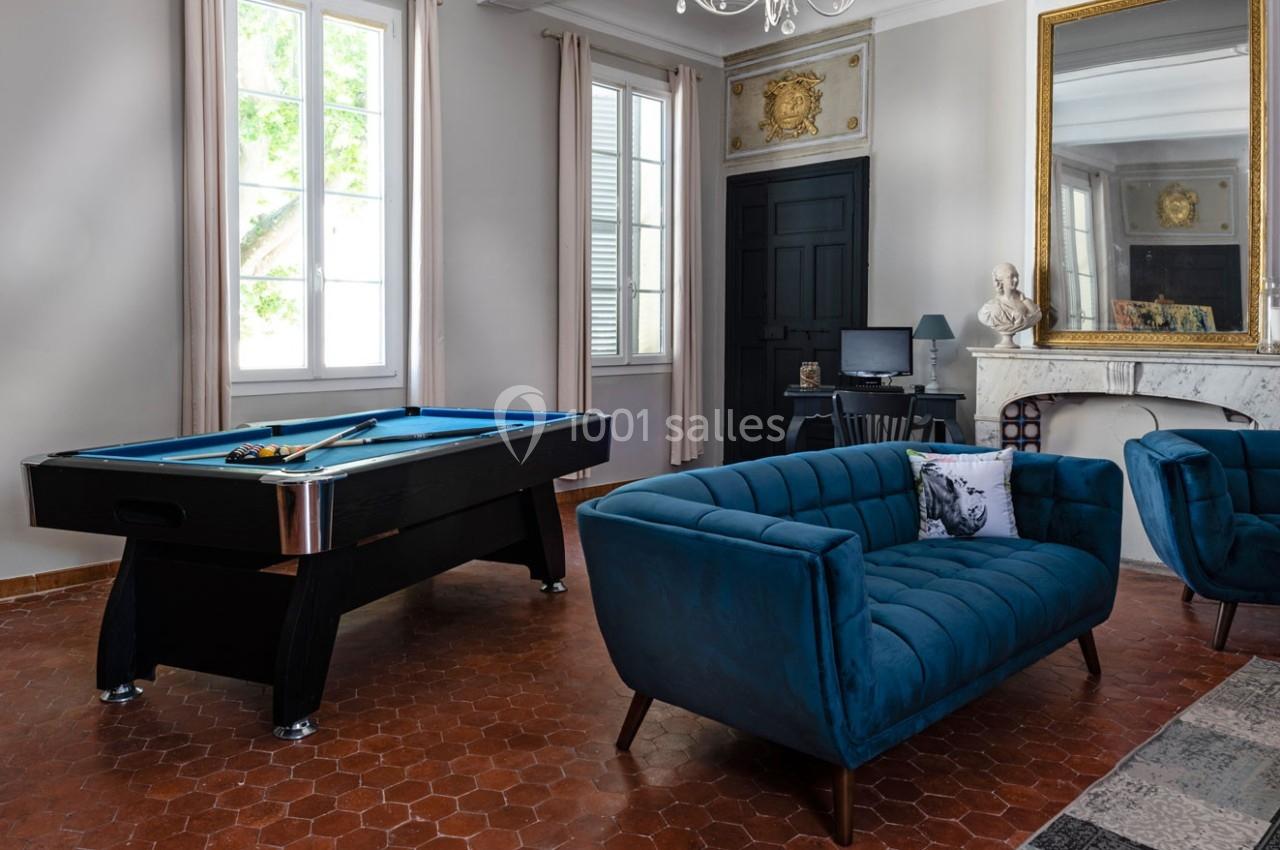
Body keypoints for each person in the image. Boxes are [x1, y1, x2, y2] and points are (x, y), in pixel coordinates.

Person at [979, 262, 1042, 348]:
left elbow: (1036, 315)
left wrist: (1025, 301)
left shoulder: (1027, 304)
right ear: (1000, 281)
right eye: (1011, 277)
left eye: (1017, 276)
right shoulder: (989, 308)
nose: (1016, 280)